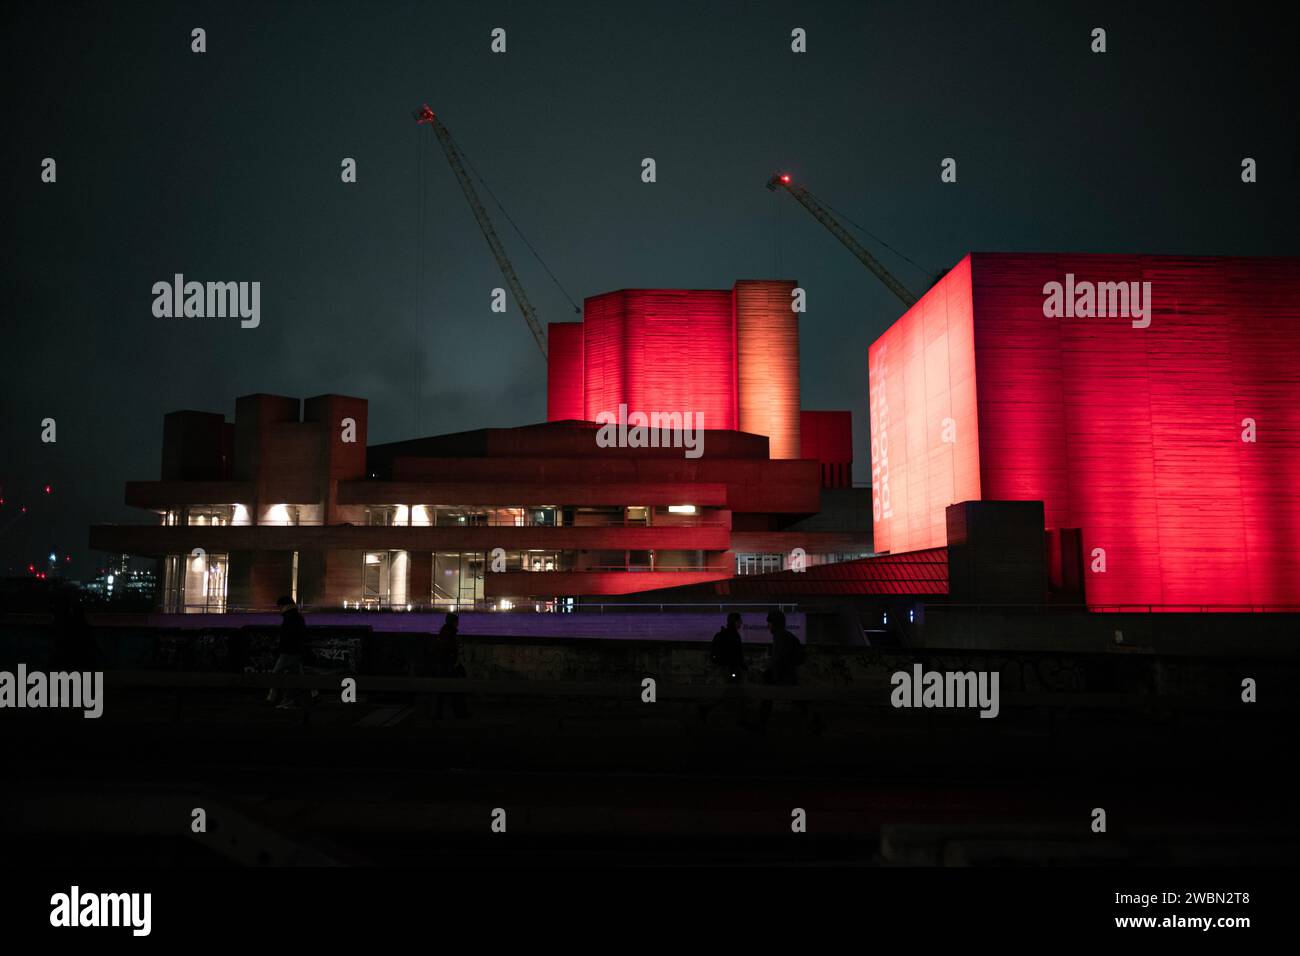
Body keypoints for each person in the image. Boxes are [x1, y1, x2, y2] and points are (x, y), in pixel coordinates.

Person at [754, 609, 809, 733]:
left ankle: (761, 724)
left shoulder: (780, 637)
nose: (768, 626)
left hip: (783, 676)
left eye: (770, 623)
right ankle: (812, 720)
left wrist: (768, 669)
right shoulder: (784, 636)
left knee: (769, 698)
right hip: (786, 676)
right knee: (797, 701)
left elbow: (779, 659)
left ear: (775, 623)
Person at [267, 595, 318, 709]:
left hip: (288, 651)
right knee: (298, 677)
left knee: (276, 674)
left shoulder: (289, 618)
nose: (278, 609)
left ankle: (274, 698)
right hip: (295, 650)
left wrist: (279, 648)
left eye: (279, 606)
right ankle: (311, 694)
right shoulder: (296, 617)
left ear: (284, 606)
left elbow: (286, 636)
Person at [699, 612, 747, 725]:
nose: (741, 623)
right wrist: (743, 666)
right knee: (736, 692)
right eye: (740, 621)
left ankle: (707, 709)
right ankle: (740, 718)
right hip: (732, 669)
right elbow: (738, 655)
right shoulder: (735, 636)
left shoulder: (721, 634)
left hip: (722, 668)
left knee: (726, 692)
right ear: (736, 622)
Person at [432, 611, 469, 719]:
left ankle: (439, 713)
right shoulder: (450, 633)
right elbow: (450, 650)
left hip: (444, 665)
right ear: (454, 622)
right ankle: (459, 713)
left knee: (443, 692)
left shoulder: (444, 633)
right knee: (456, 690)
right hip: (448, 666)